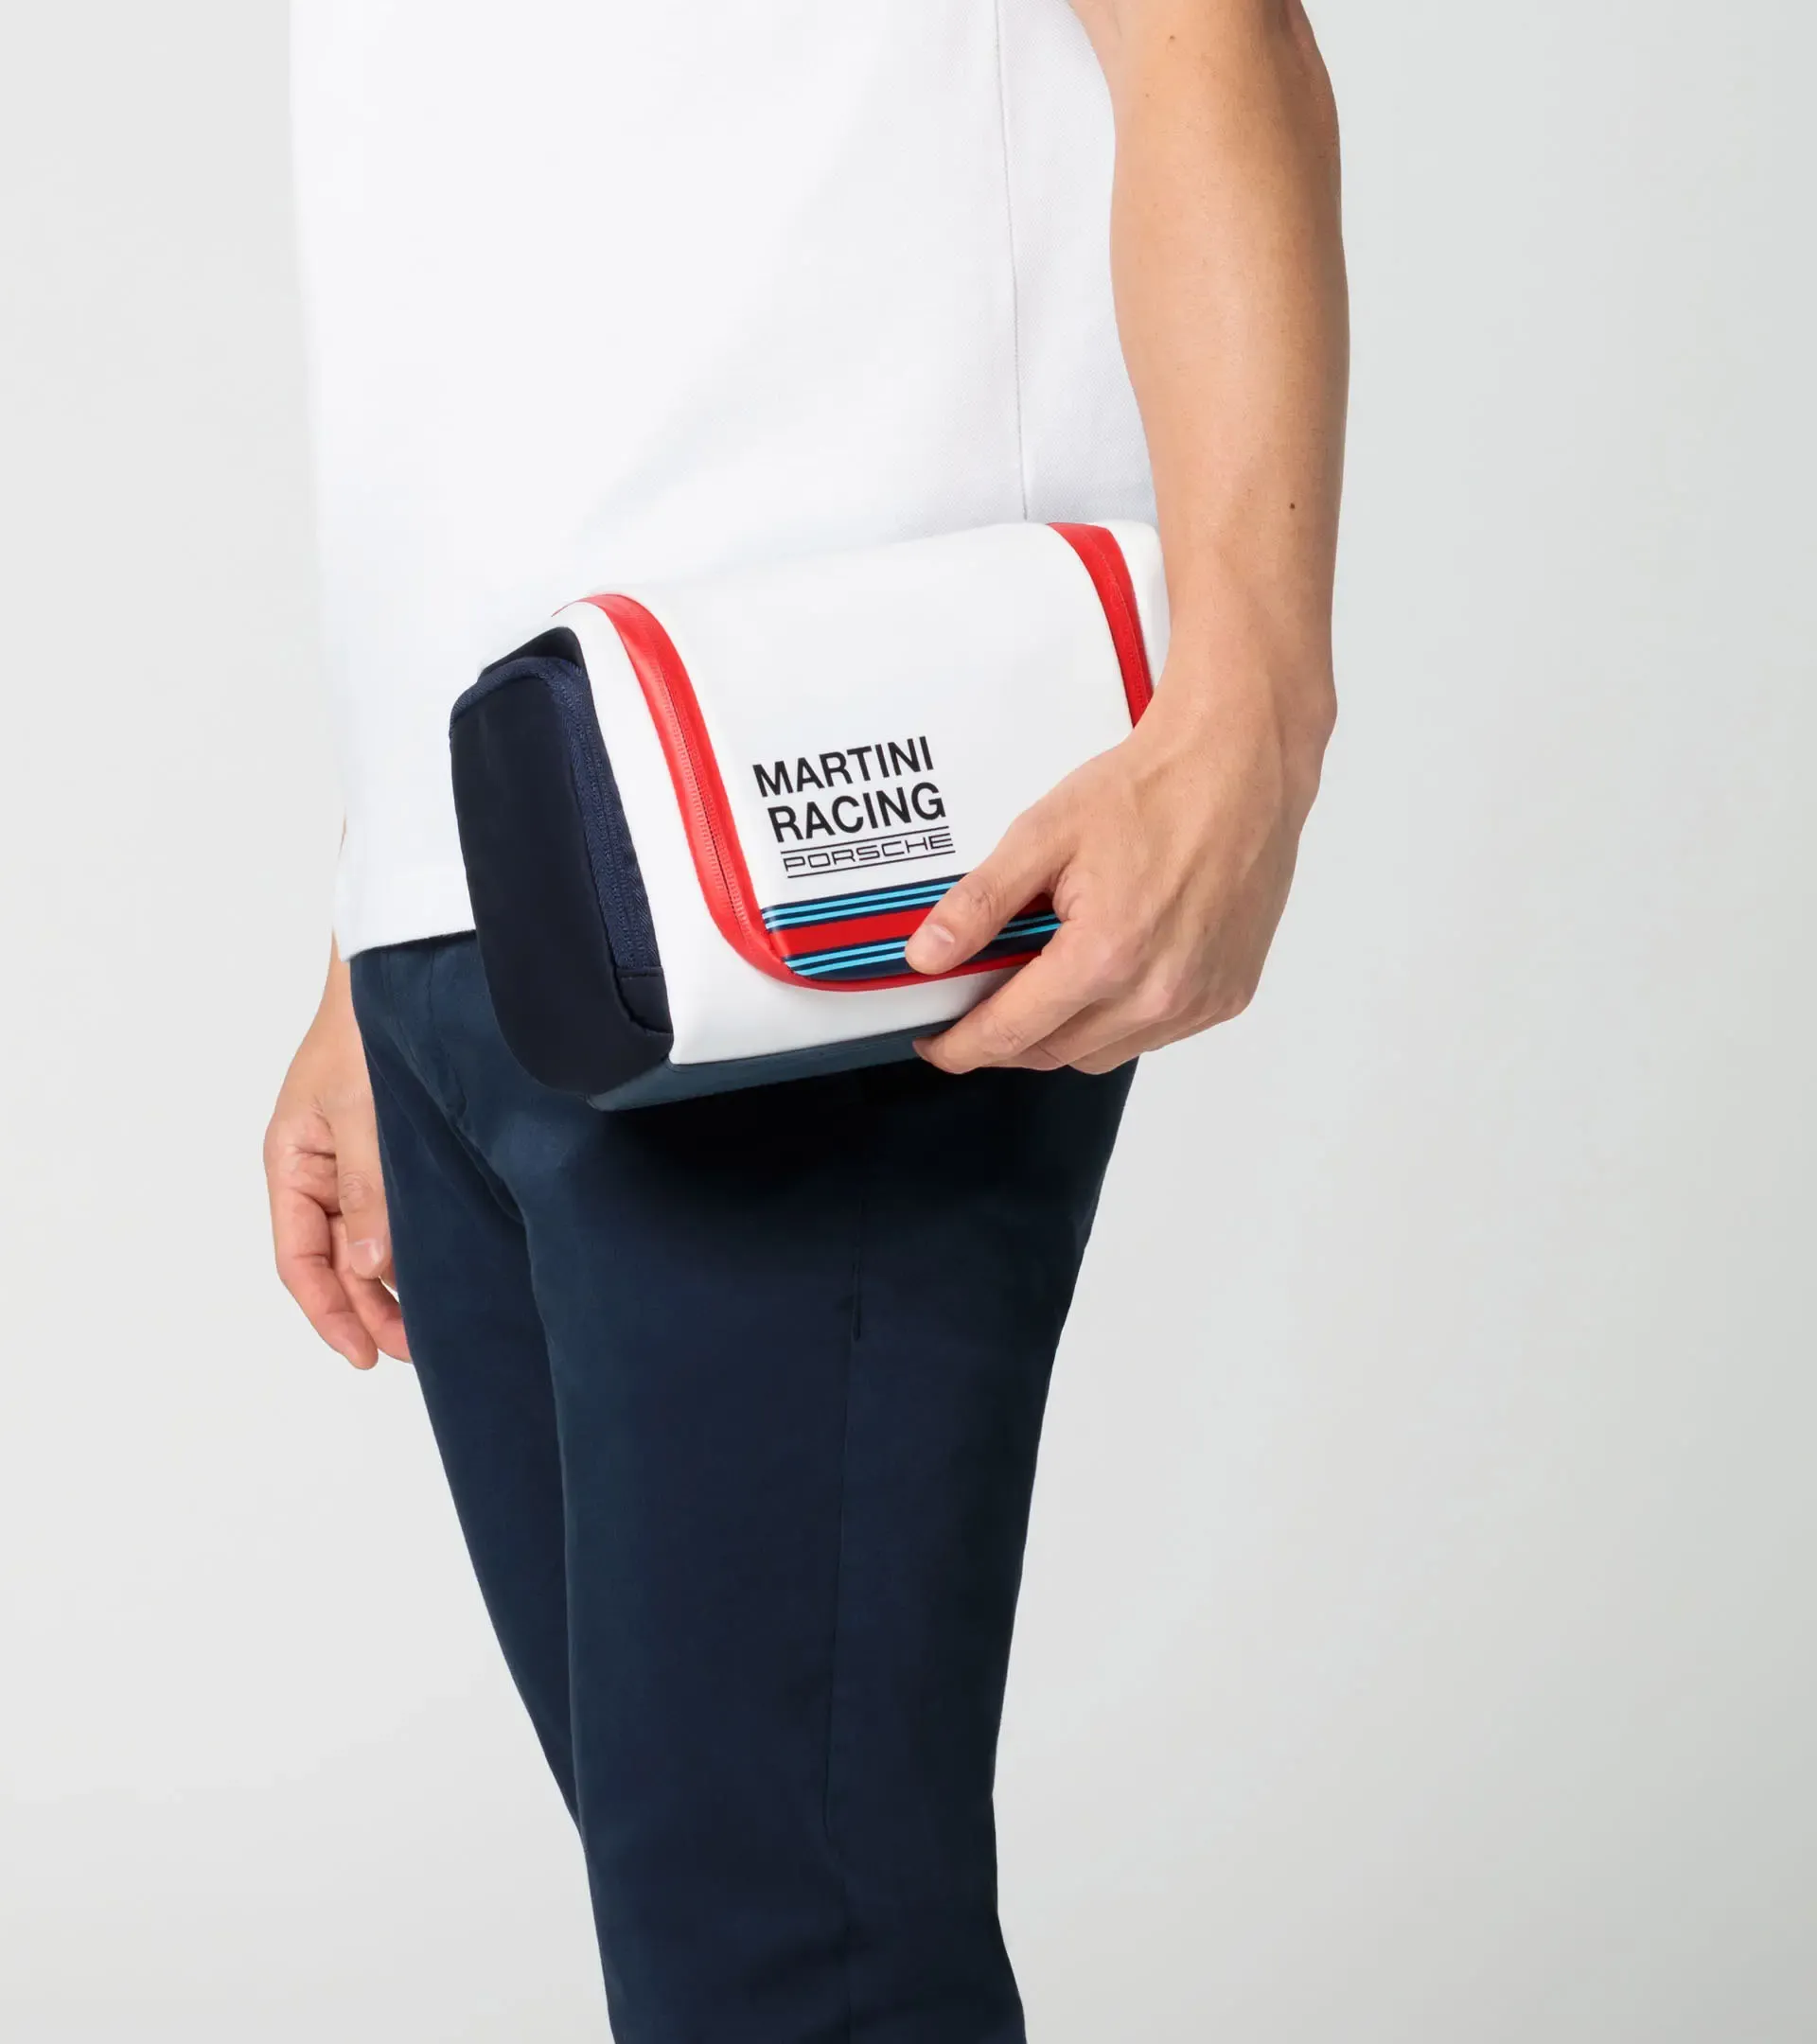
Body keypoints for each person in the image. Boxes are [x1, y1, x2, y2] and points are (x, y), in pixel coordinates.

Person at [264, 2, 1346, 2035]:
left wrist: (1251, 709)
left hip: (804, 868)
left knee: (786, 1972)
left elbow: (1209, 37)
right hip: (484, 907)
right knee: (731, 1938)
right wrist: (371, 927)